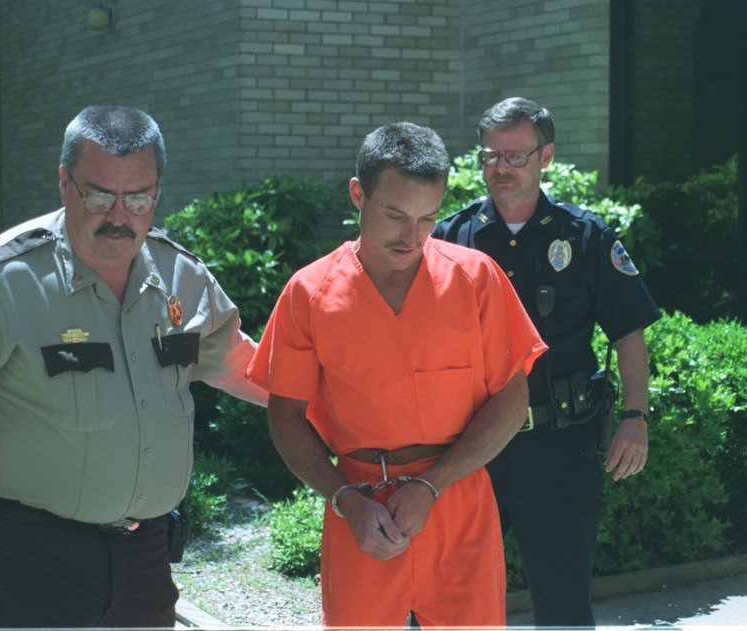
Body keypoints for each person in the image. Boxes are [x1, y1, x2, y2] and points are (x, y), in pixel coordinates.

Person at [0, 105, 267, 628]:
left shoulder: (180, 277)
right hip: (29, 558)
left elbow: (241, 367)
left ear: (158, 191)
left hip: (145, 556)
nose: (119, 216)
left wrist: (342, 405)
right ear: (64, 184)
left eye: (138, 197)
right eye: (99, 195)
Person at [246, 121, 546, 628]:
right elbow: (285, 416)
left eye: (429, 218)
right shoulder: (309, 293)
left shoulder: (476, 279)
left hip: (458, 500)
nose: (413, 237)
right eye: (395, 215)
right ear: (358, 195)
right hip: (360, 509)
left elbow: (513, 400)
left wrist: (431, 485)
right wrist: (344, 500)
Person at [432, 96, 661, 627]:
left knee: (563, 601)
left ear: (546, 156)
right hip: (470, 444)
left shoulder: (585, 236)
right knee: (449, 589)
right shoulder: (450, 237)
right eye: (491, 155)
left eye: (516, 156)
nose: (501, 168)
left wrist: (635, 418)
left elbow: (628, 330)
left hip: (560, 443)